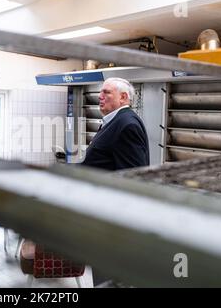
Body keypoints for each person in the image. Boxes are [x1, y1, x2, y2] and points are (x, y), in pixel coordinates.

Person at [82, 77, 149, 287]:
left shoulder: (126, 125)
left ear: (123, 97)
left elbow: (133, 178)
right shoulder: (114, 123)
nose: (99, 97)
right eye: (100, 92)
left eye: (106, 92)